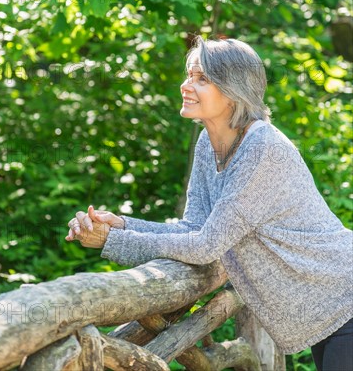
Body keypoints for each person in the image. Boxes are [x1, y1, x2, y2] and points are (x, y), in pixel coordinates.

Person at [66, 36, 353, 371]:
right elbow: (196, 226)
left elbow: (206, 246)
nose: (187, 86)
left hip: (343, 297)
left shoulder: (262, 149)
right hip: (326, 311)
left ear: (233, 92)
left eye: (202, 79)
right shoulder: (209, 142)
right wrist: (123, 224)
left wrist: (113, 241)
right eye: (189, 76)